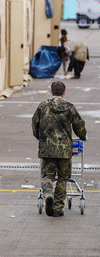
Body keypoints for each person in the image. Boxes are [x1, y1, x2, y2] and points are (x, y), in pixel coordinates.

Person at [32, 81, 86, 217]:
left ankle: (48, 194)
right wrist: (83, 135)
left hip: (47, 149)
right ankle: (57, 207)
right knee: (63, 178)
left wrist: (41, 138)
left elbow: (35, 125)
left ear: (51, 92)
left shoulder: (43, 106)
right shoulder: (70, 107)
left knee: (47, 176)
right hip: (64, 150)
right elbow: (79, 126)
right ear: (64, 92)